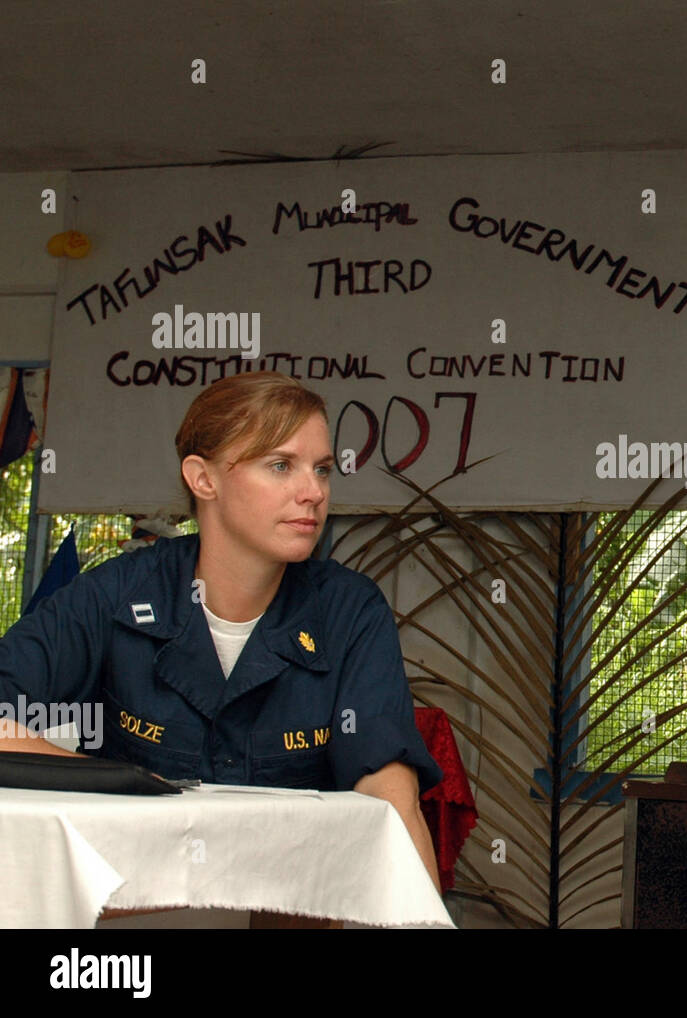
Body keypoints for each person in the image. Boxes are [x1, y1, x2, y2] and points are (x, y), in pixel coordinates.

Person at [0, 371, 444, 891]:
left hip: (286, 909)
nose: (312, 492)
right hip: (133, 907)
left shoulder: (350, 611)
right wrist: (111, 783)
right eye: (280, 465)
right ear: (202, 478)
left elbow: (392, 800)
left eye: (322, 470)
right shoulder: (116, 594)